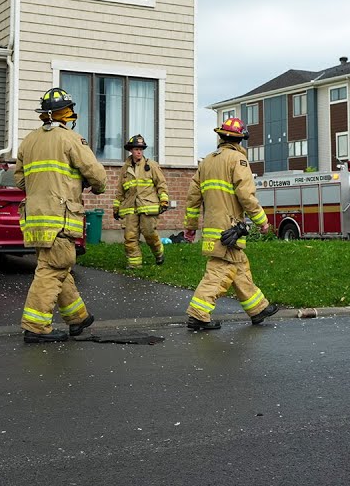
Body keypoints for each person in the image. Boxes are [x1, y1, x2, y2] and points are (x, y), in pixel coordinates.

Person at [15, 88, 107, 343]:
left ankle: (78, 318)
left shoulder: (29, 141)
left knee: (55, 265)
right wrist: (90, 185)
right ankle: (35, 326)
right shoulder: (70, 139)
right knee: (53, 269)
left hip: (35, 219)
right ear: (66, 114)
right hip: (60, 218)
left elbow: (20, 181)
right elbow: (97, 176)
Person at [182, 116, 278, 330]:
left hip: (213, 228)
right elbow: (246, 195)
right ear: (240, 139)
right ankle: (198, 314)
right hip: (229, 229)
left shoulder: (206, 161)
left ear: (221, 137)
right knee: (219, 270)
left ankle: (258, 308)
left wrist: (190, 227)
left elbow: (192, 199)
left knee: (240, 266)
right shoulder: (238, 161)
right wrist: (261, 221)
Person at [113, 134, 170, 268]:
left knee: (149, 233)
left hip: (147, 206)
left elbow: (161, 184)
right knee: (130, 236)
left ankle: (158, 252)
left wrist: (164, 200)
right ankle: (134, 264)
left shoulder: (151, 166)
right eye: (136, 149)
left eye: (141, 149)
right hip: (130, 207)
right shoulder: (125, 169)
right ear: (131, 150)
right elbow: (120, 190)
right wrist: (116, 207)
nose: (138, 151)